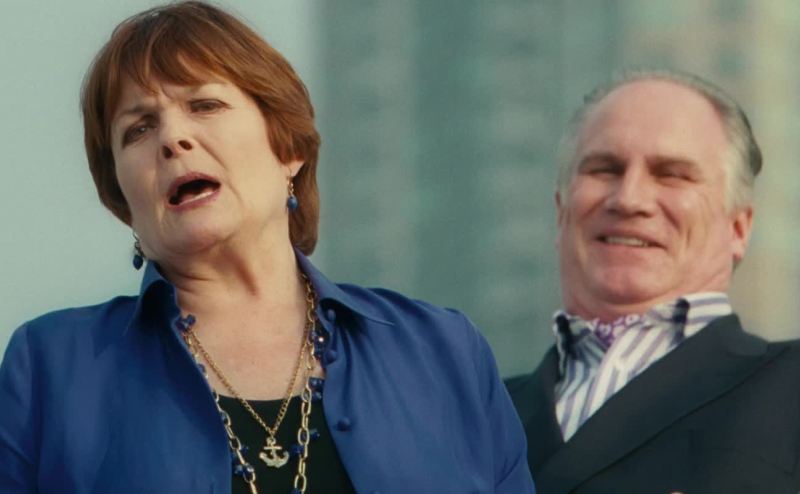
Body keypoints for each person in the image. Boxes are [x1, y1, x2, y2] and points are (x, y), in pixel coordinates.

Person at [0, 3, 534, 493]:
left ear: (288, 148)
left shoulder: (443, 352)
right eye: (138, 129)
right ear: (122, 198)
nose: (172, 138)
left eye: (205, 104)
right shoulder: (49, 369)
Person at [506, 69, 800, 493]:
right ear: (561, 212)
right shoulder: (470, 414)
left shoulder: (788, 386)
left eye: (672, 174)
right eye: (604, 169)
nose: (629, 199)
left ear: (738, 228)